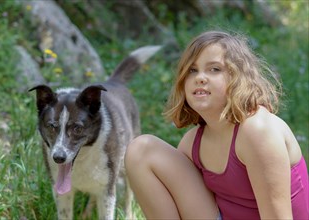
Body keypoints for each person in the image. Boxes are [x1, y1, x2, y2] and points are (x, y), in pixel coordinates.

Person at [124, 30, 308, 219]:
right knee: (142, 150)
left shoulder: (258, 130)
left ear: (237, 79)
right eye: (192, 70)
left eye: (214, 69)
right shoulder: (192, 143)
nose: (200, 78)